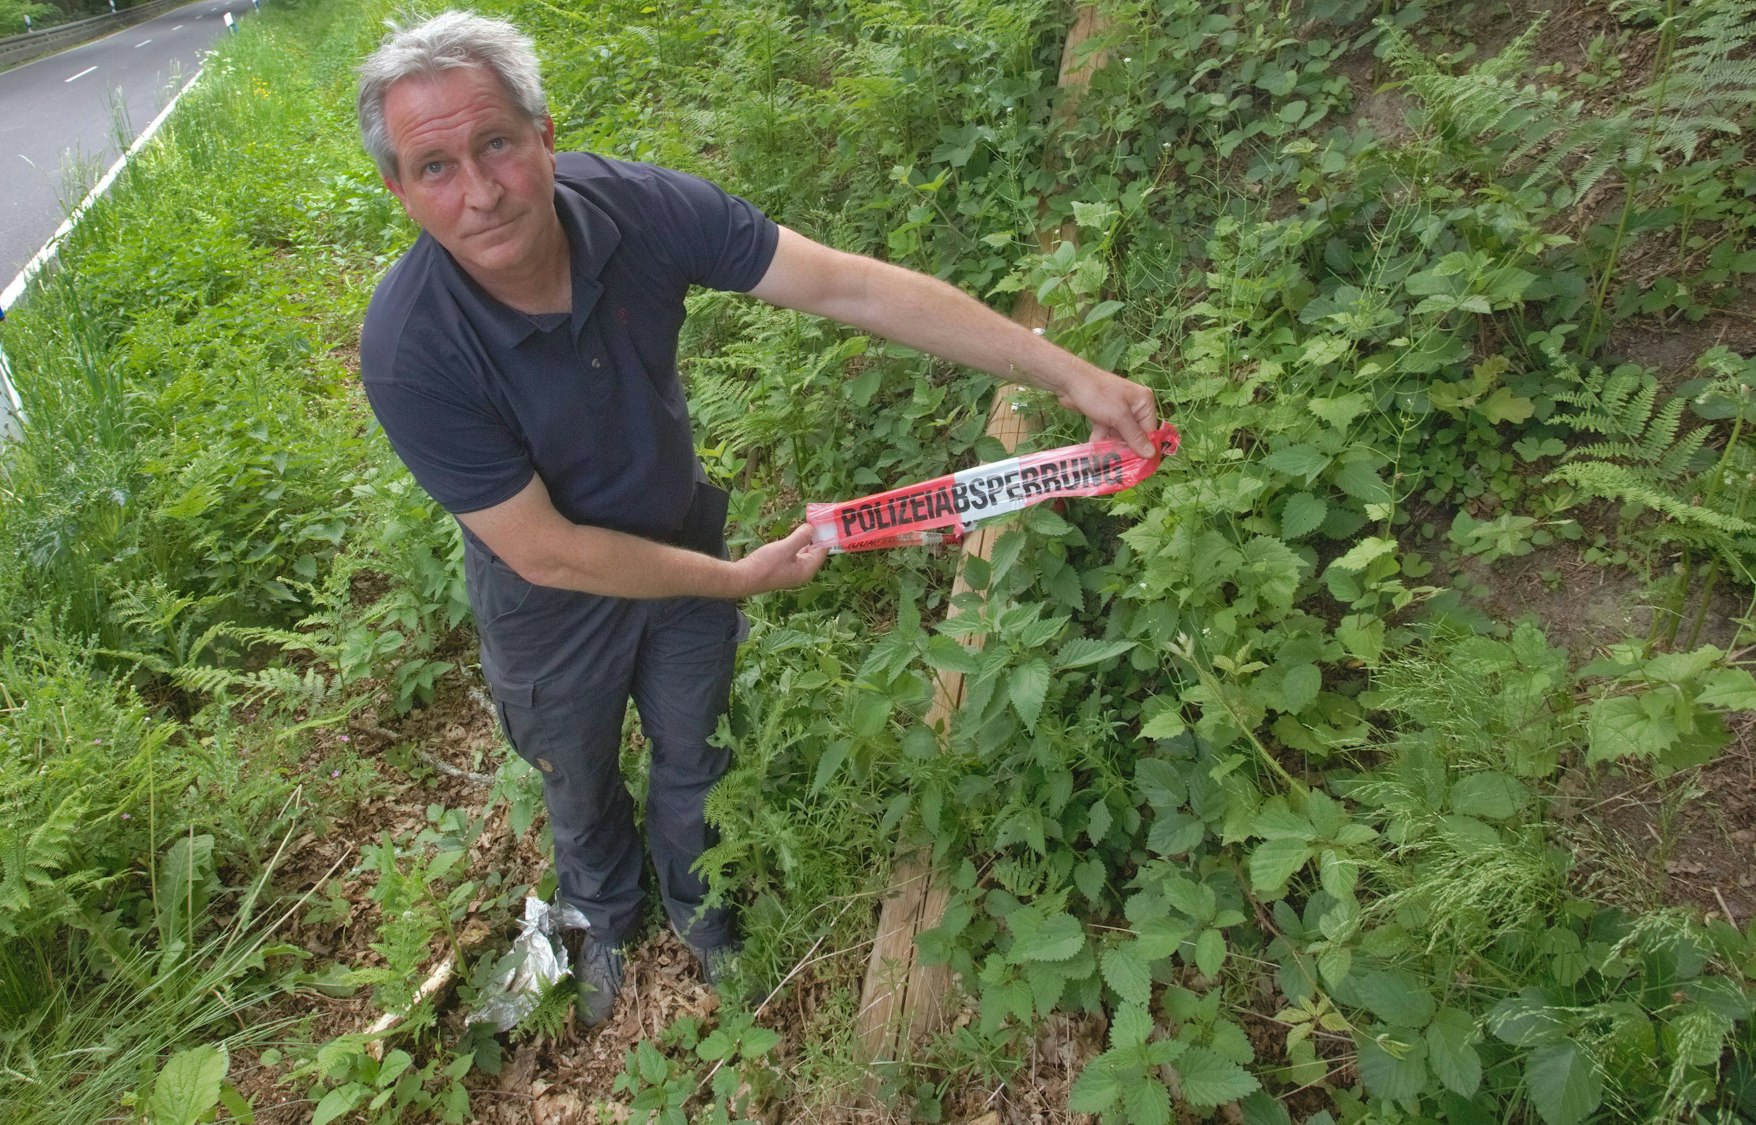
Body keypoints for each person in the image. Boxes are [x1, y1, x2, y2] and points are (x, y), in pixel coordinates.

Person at [355, 11, 1159, 1027]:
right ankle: (599, 911)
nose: (479, 191)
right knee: (576, 767)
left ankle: (700, 907)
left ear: (544, 134)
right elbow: (546, 549)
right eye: (434, 167)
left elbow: (847, 284)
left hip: (675, 532)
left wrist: (1067, 372)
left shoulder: (640, 211)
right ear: (399, 193)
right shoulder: (410, 349)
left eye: (496, 144)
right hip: (547, 602)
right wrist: (735, 580)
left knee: (695, 745)